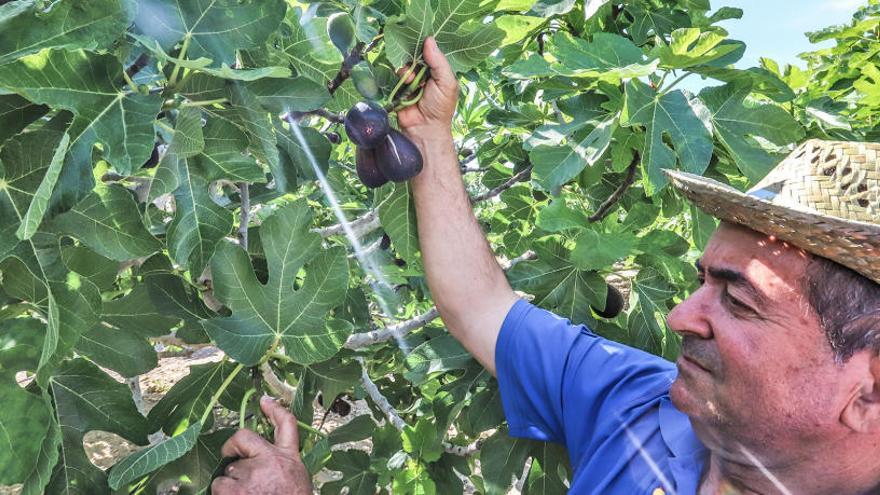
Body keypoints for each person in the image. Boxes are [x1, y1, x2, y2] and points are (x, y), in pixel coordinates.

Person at [212, 38, 880, 494]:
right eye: (703, 280)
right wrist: (429, 139)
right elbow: (482, 306)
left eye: (737, 300)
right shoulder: (641, 401)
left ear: (870, 386)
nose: (680, 314)